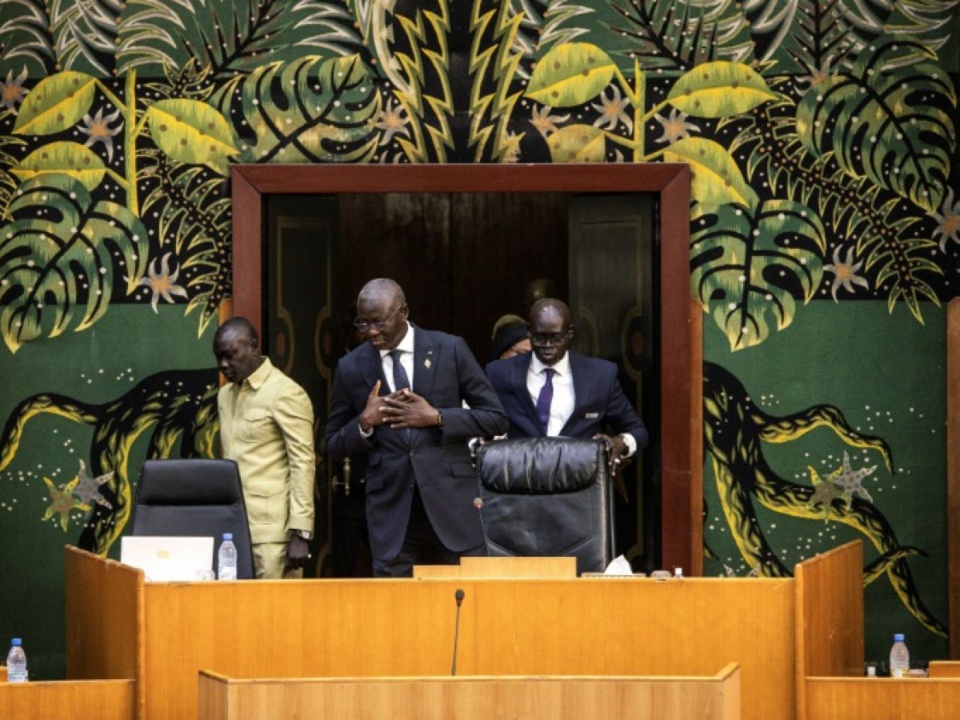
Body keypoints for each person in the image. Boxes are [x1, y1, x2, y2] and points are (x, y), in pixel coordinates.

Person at [325, 278, 508, 577]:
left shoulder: (450, 349)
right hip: (392, 513)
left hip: (453, 507)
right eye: (362, 324)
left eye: (378, 322)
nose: (370, 332)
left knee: (469, 606)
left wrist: (437, 417)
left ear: (403, 312)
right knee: (395, 613)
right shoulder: (351, 367)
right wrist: (364, 423)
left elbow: (495, 418)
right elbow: (332, 444)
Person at [485, 298, 648, 475]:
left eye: (556, 338)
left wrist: (620, 443)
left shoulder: (600, 375)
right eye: (540, 338)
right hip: (518, 483)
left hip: (578, 486)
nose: (548, 346)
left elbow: (637, 431)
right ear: (530, 333)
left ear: (569, 333)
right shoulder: (499, 373)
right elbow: (473, 421)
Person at [213, 317, 316, 579]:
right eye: (218, 358)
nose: (223, 365)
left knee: (275, 615)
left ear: (254, 347)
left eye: (230, 355)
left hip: (272, 534)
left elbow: (303, 462)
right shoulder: (225, 395)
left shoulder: (286, 393)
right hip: (232, 528)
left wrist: (301, 532)